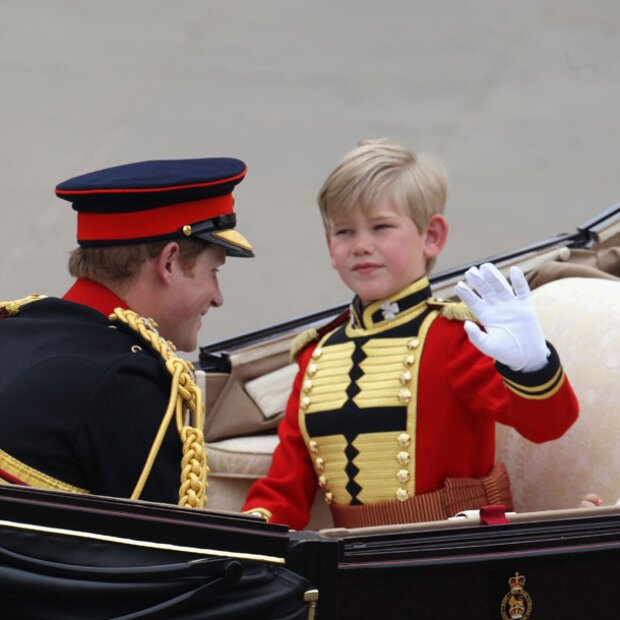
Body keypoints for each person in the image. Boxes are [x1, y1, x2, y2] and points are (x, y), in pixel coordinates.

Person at [242, 139, 579, 529]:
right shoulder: (317, 353)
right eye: (344, 231)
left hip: (455, 552)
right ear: (328, 246)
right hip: (354, 559)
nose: (361, 246)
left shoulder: (454, 337)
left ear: (432, 235)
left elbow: (549, 425)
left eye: (381, 227)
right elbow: (286, 488)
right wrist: (252, 536)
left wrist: (533, 364)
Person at [0, 157, 253, 508]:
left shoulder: (12, 328)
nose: (217, 297)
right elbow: (162, 552)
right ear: (168, 263)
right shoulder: (123, 381)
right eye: (214, 271)